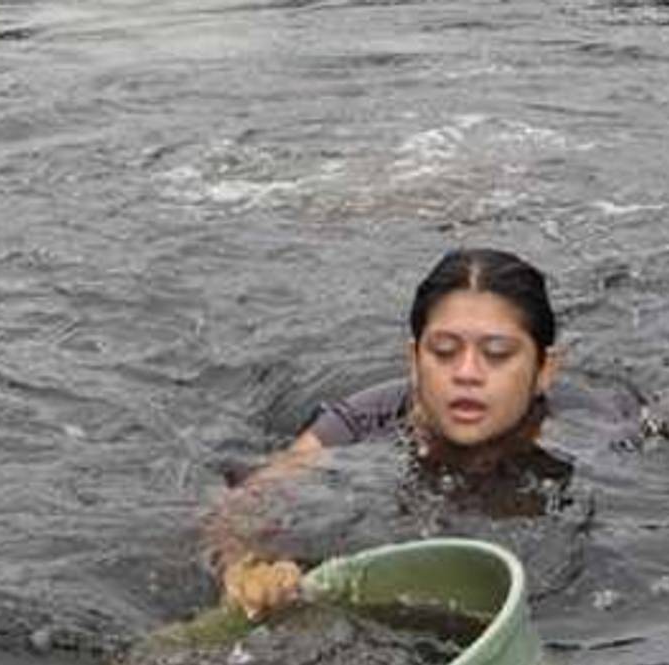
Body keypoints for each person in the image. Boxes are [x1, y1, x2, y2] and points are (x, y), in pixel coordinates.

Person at [201, 248, 626, 619]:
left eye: (497, 354)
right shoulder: (364, 419)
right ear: (413, 358)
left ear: (545, 370)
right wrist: (245, 568)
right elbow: (247, 504)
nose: (466, 374)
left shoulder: (593, 427)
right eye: (443, 352)